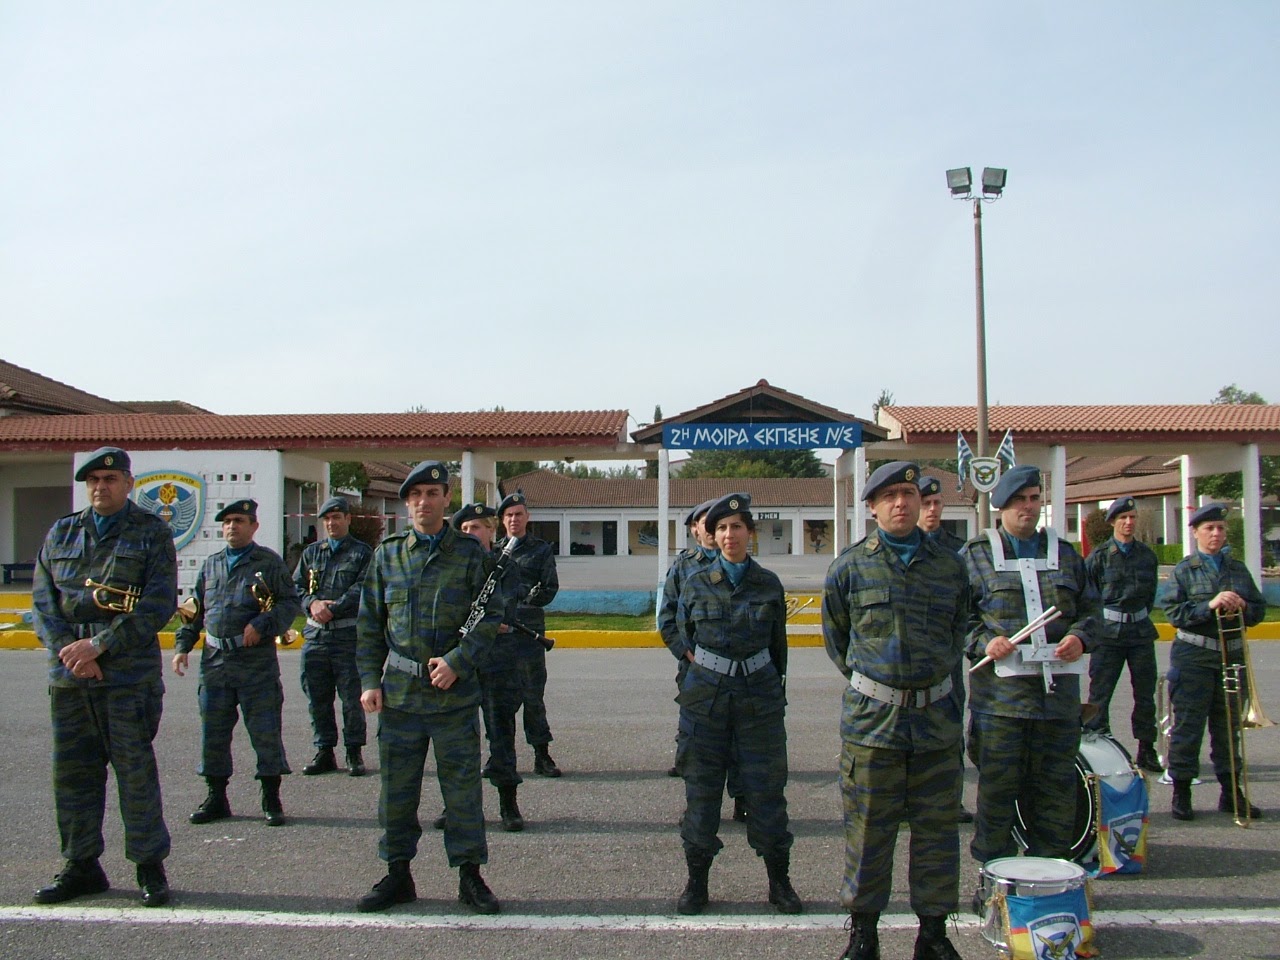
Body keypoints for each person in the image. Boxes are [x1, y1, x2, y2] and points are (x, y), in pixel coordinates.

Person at [825, 463, 968, 960]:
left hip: (935, 721)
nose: (900, 503)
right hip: (874, 725)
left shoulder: (951, 565)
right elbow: (838, 642)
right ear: (872, 506)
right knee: (868, 833)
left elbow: (959, 629)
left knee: (937, 832)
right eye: (889, 496)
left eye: (908, 493)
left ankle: (933, 933)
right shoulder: (849, 567)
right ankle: (864, 933)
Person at [31, 447, 177, 908]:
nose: (101, 487)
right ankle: (81, 864)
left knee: (135, 774)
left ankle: (148, 866)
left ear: (128, 484)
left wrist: (100, 645)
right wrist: (71, 653)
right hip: (71, 678)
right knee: (73, 776)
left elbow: (158, 602)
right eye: (93, 480)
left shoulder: (151, 532)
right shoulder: (61, 532)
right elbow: (43, 604)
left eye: (110, 480)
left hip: (127, 677)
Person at [355, 462, 502, 914]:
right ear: (407, 503)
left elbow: (490, 616)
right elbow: (369, 624)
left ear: (446, 499)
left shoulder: (470, 553)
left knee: (462, 792)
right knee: (396, 792)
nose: (423, 501)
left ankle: (470, 876)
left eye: (432, 493)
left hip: (452, 697)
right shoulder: (388, 554)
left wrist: (458, 662)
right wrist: (367, 680)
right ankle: (398, 874)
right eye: (415, 494)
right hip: (399, 696)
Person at [959, 465, 1099, 876]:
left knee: (1056, 798)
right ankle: (995, 886)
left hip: (1057, 704)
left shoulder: (1067, 553)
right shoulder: (975, 555)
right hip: (1001, 705)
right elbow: (956, 620)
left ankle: (1050, 883)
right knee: (997, 800)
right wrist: (984, 642)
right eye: (1020, 500)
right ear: (1001, 504)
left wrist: (1080, 637)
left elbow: (1092, 612)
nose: (1029, 507)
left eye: (1035, 498)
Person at [669, 492, 801, 916]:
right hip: (706, 703)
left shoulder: (768, 584)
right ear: (713, 534)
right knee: (702, 794)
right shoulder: (694, 582)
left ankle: (779, 882)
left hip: (758, 702)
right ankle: (696, 882)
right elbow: (682, 633)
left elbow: (778, 647)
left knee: (767, 795)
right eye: (721, 528)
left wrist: (773, 692)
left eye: (737, 527)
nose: (729, 535)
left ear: (750, 533)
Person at [172, 498, 302, 828]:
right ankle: (216, 797)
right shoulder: (211, 564)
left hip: (255, 664)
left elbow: (289, 604)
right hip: (216, 662)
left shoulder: (268, 563)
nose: (232, 526)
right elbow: (193, 610)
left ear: (253, 526)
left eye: (239, 521)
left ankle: (271, 797)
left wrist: (263, 624)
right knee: (213, 733)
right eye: (228, 521)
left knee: (265, 731)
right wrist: (182, 646)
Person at [1163, 502, 1266, 821]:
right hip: (1195, 656)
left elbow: (1259, 611)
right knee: (1188, 727)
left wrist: (1243, 606)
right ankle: (1182, 791)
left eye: (1220, 528)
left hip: (1230, 655)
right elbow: (1173, 613)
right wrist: (1210, 605)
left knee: (1229, 729)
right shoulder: (1184, 569)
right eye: (1209, 529)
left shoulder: (1237, 569)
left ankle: (1230, 791)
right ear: (1195, 533)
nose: (1216, 534)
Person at [435, 502, 527, 832]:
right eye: (464, 529)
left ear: (491, 529)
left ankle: (508, 803)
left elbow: (503, 615)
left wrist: (483, 617)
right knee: (458, 741)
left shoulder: (505, 566)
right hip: (461, 662)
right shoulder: (449, 565)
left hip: (497, 661)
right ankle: (456, 806)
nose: (471, 534)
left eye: (477, 528)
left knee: (501, 735)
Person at [659, 498, 747, 820]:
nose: (714, 528)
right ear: (696, 529)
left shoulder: (739, 564)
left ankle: (741, 799)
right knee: (697, 737)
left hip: (737, 670)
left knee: (739, 738)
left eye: (722, 521)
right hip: (696, 666)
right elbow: (667, 617)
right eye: (707, 522)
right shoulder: (684, 566)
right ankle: (697, 802)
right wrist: (686, 652)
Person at [1083, 496, 1164, 774]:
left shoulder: (1147, 556)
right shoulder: (1099, 557)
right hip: (1108, 634)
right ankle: (1099, 745)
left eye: (1132, 518)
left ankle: (1146, 747)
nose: (1128, 523)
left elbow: (1149, 597)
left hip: (1139, 632)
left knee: (1145, 694)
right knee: (1100, 694)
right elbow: (1089, 598)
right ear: (1113, 523)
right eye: (1123, 519)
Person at [295, 496, 374, 778]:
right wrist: (312, 604)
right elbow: (296, 587)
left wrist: (335, 608)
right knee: (317, 697)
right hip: (315, 638)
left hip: (346, 636)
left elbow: (364, 586)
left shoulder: (362, 553)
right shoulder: (312, 553)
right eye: (327, 519)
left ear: (348, 520)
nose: (331, 523)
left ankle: (354, 750)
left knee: (352, 698)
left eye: (337, 517)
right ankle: (324, 750)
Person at [916, 473, 974, 826]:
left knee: (950, 730)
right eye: (926, 504)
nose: (933, 509)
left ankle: (952, 799)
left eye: (937, 503)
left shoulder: (959, 552)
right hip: (910, 660)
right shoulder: (900, 548)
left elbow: (966, 609)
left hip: (946, 659)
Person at [496, 491, 562, 777]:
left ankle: (541, 755)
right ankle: (498, 757)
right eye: (509, 515)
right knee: (499, 702)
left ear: (527, 517)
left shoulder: (541, 550)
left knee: (533, 697)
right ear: (502, 520)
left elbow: (549, 588)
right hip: (498, 636)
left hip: (528, 634)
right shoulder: (494, 550)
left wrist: (521, 603)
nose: (514, 519)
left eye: (518, 514)